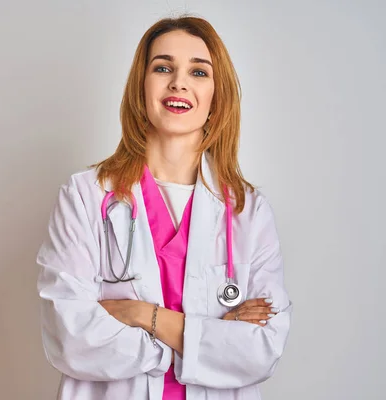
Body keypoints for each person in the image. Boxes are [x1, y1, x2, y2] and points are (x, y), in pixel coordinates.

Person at [36, 14, 292, 400]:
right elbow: (70, 338)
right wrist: (207, 336)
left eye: (199, 72)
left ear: (216, 97)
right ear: (141, 86)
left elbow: (262, 351)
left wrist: (145, 316)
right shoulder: (85, 197)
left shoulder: (247, 212)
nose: (179, 82)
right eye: (163, 67)